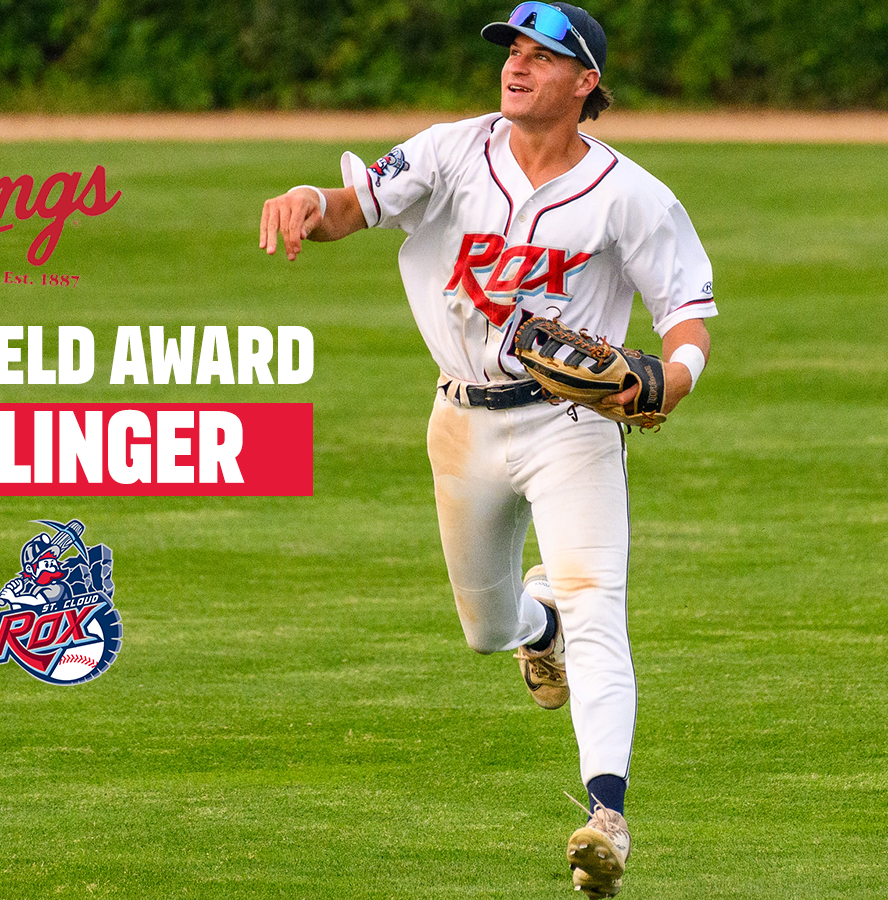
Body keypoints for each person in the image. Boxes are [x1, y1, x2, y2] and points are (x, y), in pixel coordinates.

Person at [257, 4, 716, 896]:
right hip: (461, 422)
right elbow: (353, 208)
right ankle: (536, 629)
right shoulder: (450, 150)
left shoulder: (629, 194)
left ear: (586, 83)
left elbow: (688, 310)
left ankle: (607, 819)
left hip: (571, 428)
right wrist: (309, 201)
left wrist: (675, 378)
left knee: (598, 608)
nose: (517, 65)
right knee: (487, 631)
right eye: (513, 49)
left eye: (543, 55)